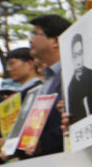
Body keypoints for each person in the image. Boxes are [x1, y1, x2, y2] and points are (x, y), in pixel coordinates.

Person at [27, 14, 70, 157]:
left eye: (35, 34)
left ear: (56, 41)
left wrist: (43, 143)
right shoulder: (47, 79)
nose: (30, 40)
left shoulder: (71, 73)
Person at [66, 33, 92, 122]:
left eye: (80, 53)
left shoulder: (90, 74)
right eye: (75, 56)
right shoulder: (70, 86)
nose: (78, 60)